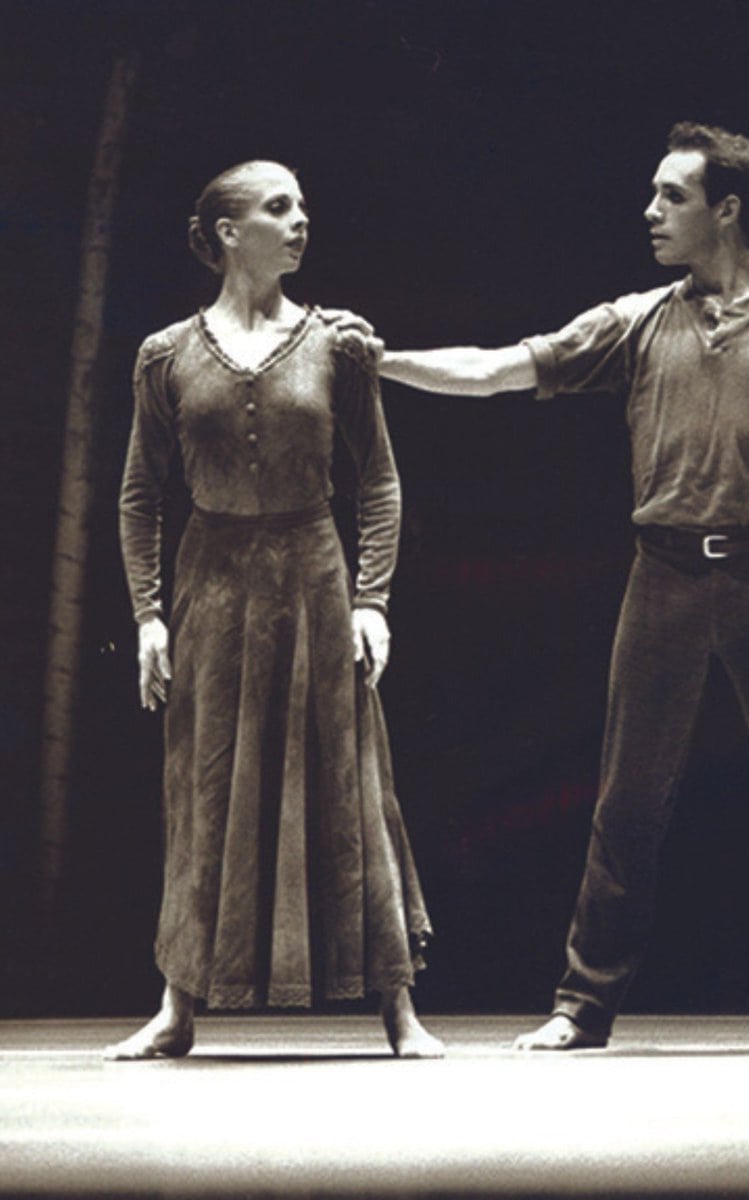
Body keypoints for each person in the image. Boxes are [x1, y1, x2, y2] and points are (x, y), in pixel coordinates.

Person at [379, 122, 749, 1051]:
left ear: (724, 210)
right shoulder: (636, 321)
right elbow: (496, 370)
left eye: (670, 197)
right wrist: (382, 363)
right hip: (666, 578)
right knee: (626, 800)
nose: (650, 212)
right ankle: (580, 1005)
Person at [110, 160, 444, 1060]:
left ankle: (397, 1010)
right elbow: (140, 495)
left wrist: (371, 598)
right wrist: (148, 615)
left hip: (313, 575)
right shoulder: (165, 356)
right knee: (205, 783)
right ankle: (178, 1009)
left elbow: (377, 479)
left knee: (346, 777)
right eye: (278, 207)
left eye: (300, 206)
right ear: (228, 233)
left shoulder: (337, 345)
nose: (301, 221)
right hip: (211, 583)